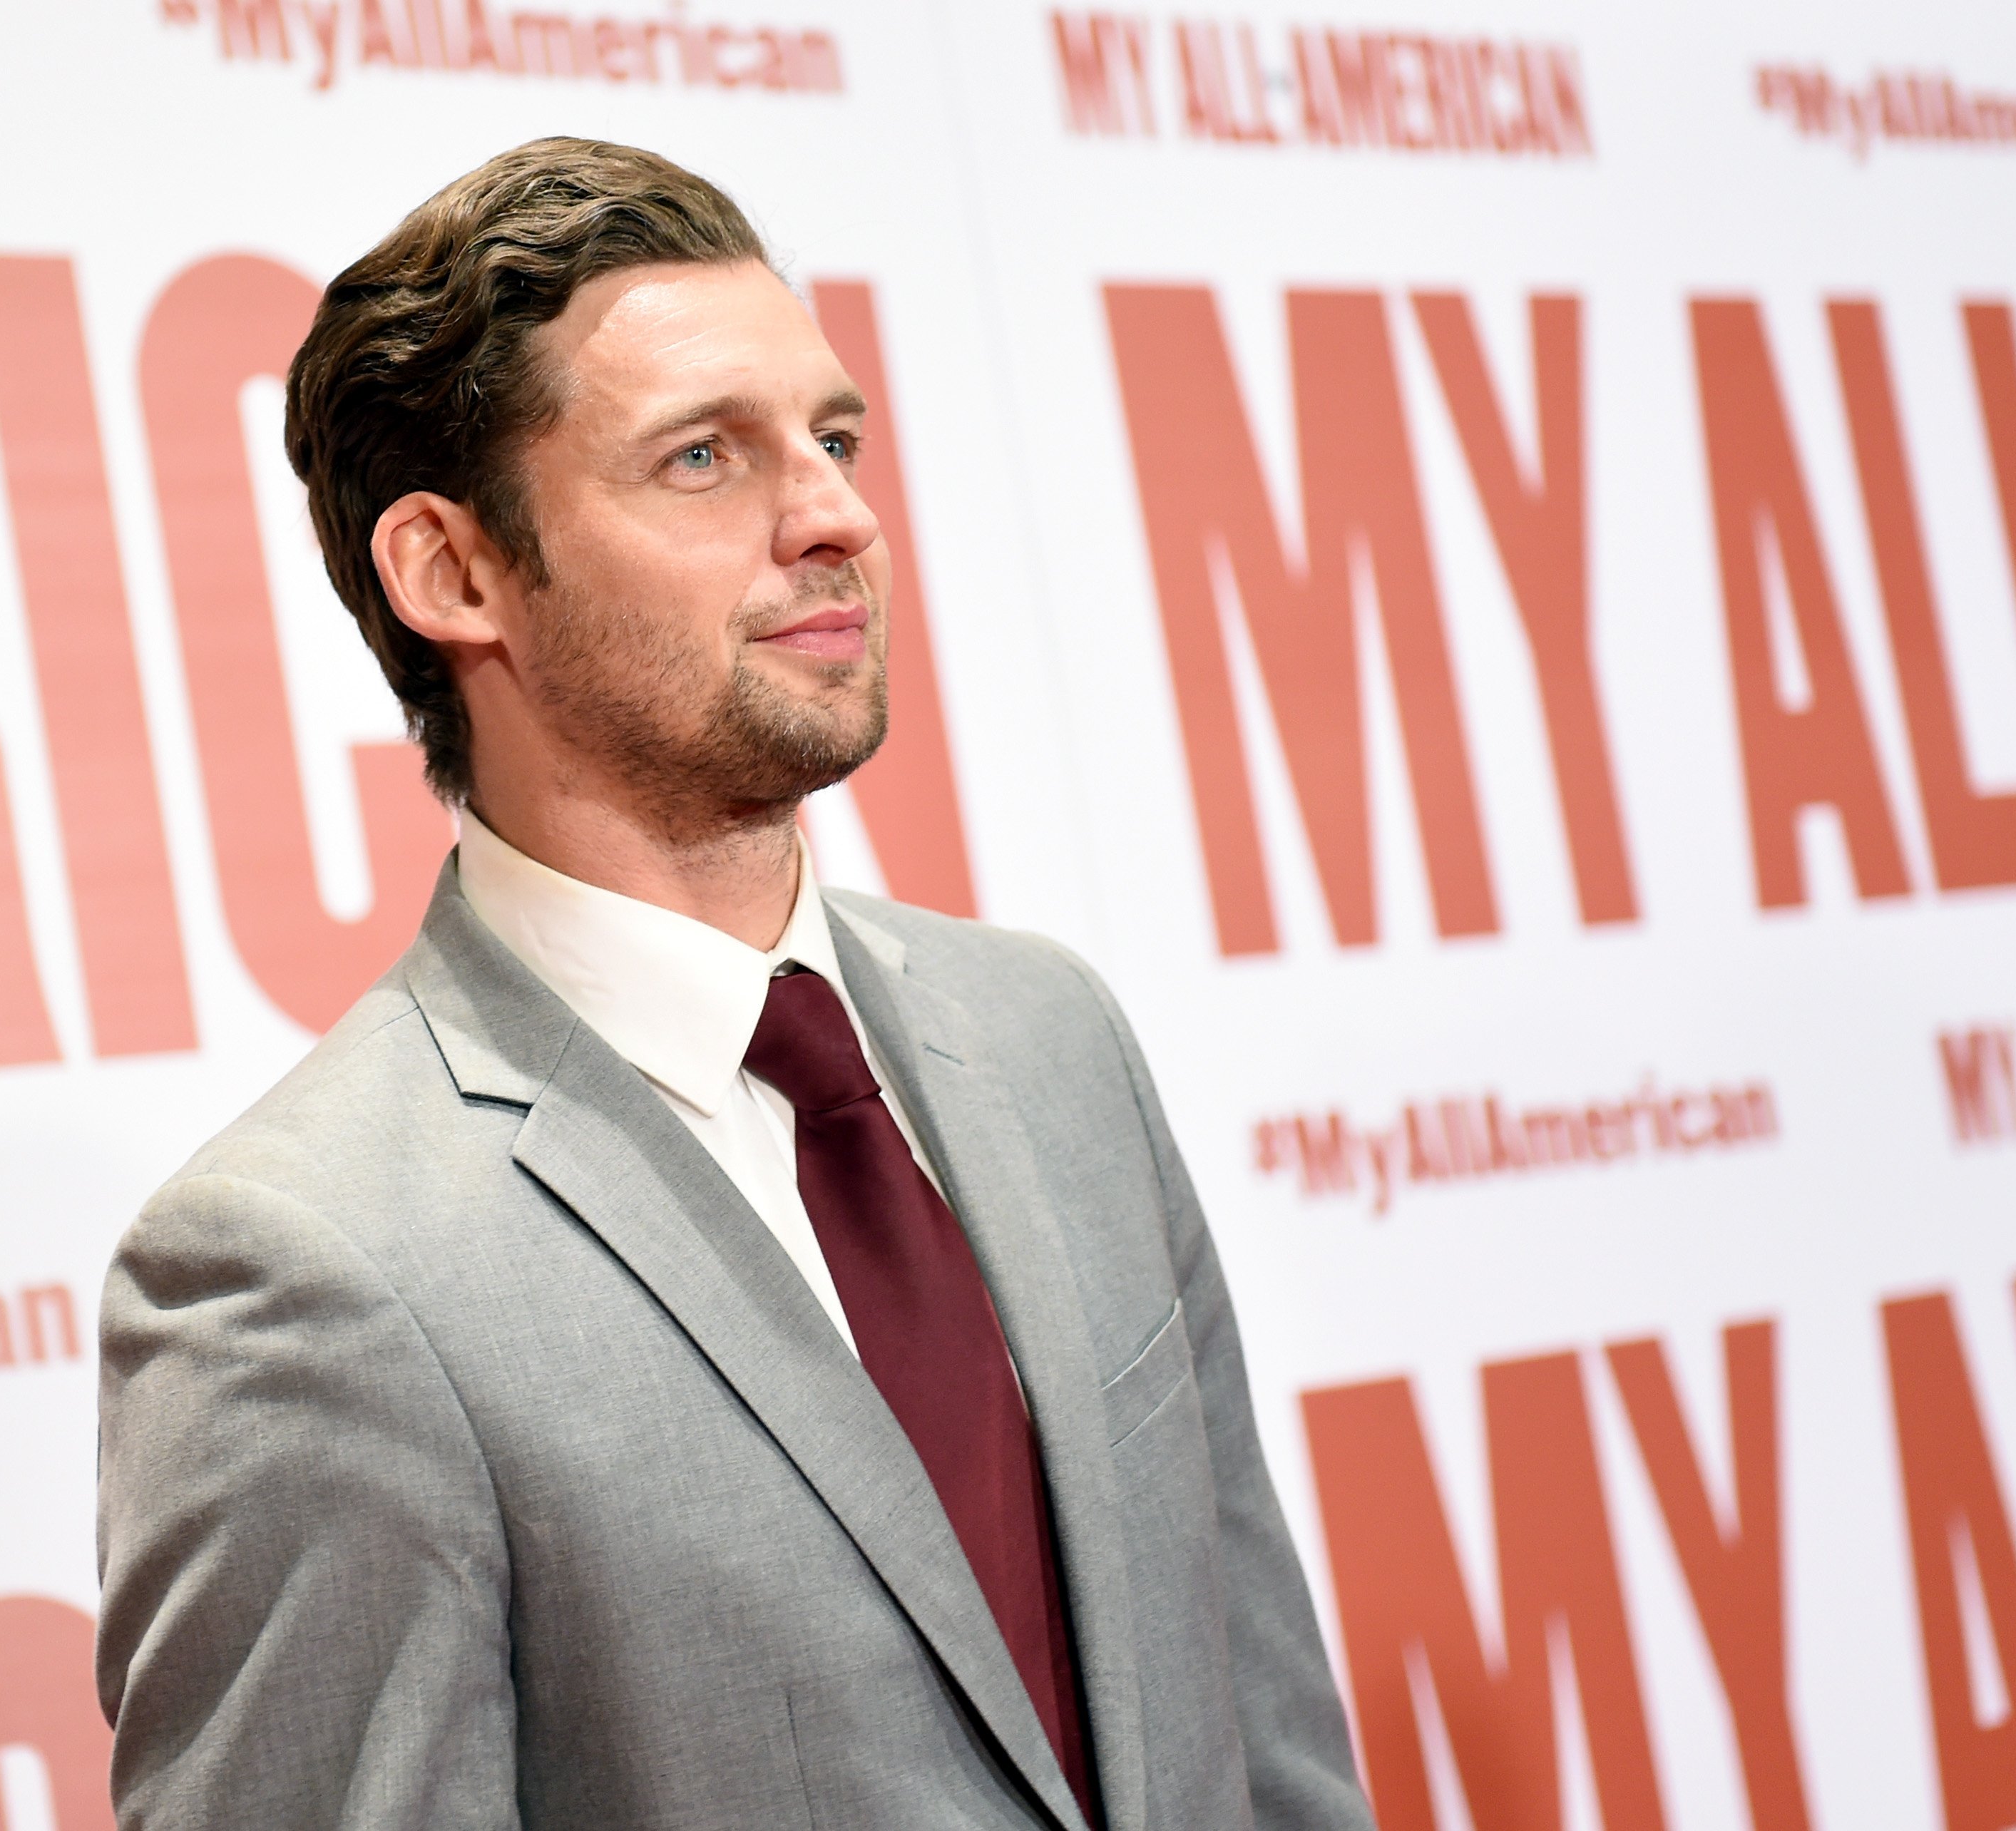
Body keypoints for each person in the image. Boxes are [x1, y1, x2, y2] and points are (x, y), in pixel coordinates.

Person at [93, 136, 1373, 1831]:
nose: (838, 515)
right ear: (453, 574)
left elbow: (1266, 1745)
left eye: (833, 439)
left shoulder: (1051, 1038)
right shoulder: (305, 1272)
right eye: (703, 456)